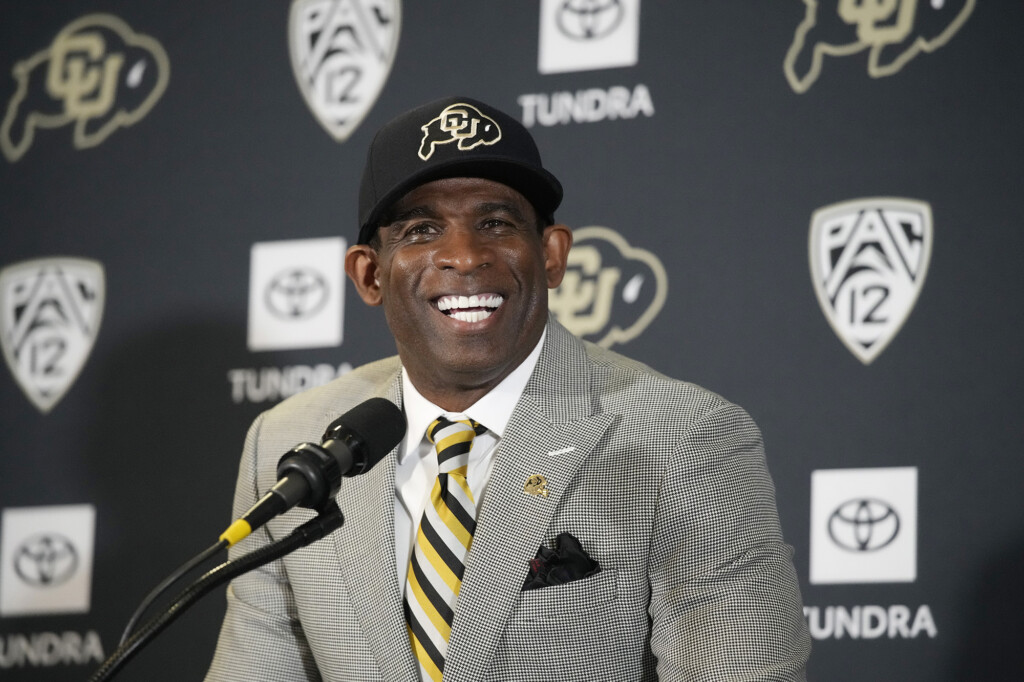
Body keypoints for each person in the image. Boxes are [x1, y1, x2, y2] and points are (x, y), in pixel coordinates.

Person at [205, 96, 811, 681]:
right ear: (370, 275)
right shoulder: (291, 444)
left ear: (551, 255)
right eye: (421, 229)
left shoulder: (685, 439)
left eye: (495, 223)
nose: (465, 257)